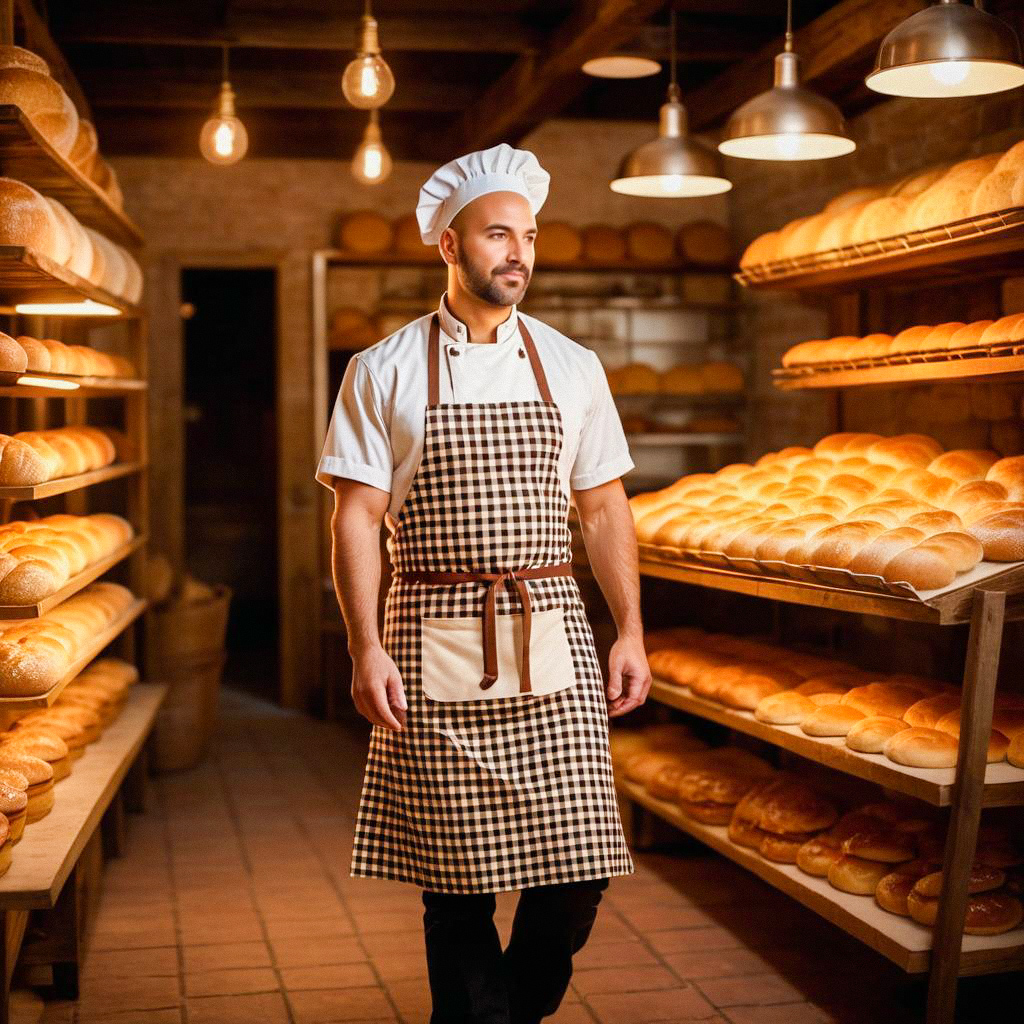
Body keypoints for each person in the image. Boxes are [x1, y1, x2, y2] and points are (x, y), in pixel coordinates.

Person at [316, 143, 652, 1024]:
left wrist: (630, 630)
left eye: (529, 236)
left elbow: (606, 507)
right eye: (498, 234)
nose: (518, 253)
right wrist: (365, 646)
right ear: (449, 246)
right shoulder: (381, 369)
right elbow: (355, 516)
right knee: (455, 884)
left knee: (579, 872)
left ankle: (511, 1010)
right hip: (431, 637)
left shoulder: (572, 365)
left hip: (553, 632)